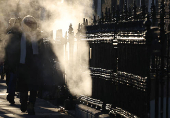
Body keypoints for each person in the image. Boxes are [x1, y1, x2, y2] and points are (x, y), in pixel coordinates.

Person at [4, 17, 22, 104]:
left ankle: (11, 94)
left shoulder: (13, 33)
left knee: (12, 78)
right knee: (13, 78)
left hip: (13, 59)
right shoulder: (20, 34)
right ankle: (12, 95)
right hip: (15, 59)